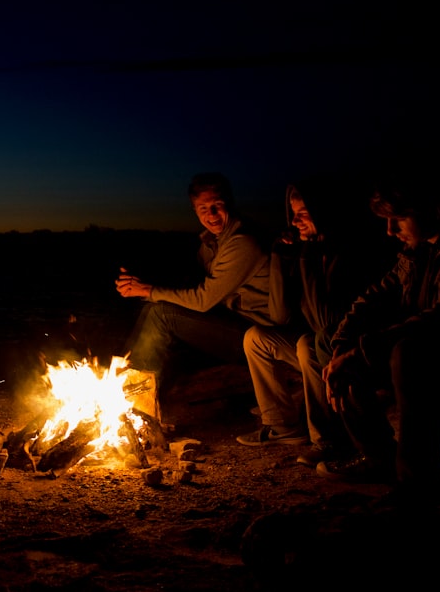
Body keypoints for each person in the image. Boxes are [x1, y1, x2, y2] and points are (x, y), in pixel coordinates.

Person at [317, 174, 440, 507]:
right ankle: (377, 455)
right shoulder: (415, 254)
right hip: (429, 357)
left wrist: (361, 352)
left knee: (408, 352)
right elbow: (371, 298)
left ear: (433, 210)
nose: (390, 231)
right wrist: (342, 345)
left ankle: (416, 489)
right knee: (330, 339)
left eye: (398, 219)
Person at [235, 177, 389, 459]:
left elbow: (324, 323)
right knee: (256, 338)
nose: (295, 222)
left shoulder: (346, 252)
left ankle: (328, 440)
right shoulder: (306, 250)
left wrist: (307, 255)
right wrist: (281, 256)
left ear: (323, 213)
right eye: (293, 215)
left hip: (344, 349)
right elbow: (280, 316)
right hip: (318, 342)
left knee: (309, 343)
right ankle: (282, 427)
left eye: (303, 214)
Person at [115, 172, 273, 394]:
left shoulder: (242, 243)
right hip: (234, 322)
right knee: (153, 307)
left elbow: (202, 300)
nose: (212, 214)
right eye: (203, 208)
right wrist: (143, 283)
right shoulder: (212, 241)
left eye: (217, 205)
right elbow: (190, 283)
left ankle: (136, 396)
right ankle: (125, 378)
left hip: (257, 336)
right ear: (195, 210)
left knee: (162, 313)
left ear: (229, 203)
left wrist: (149, 290)